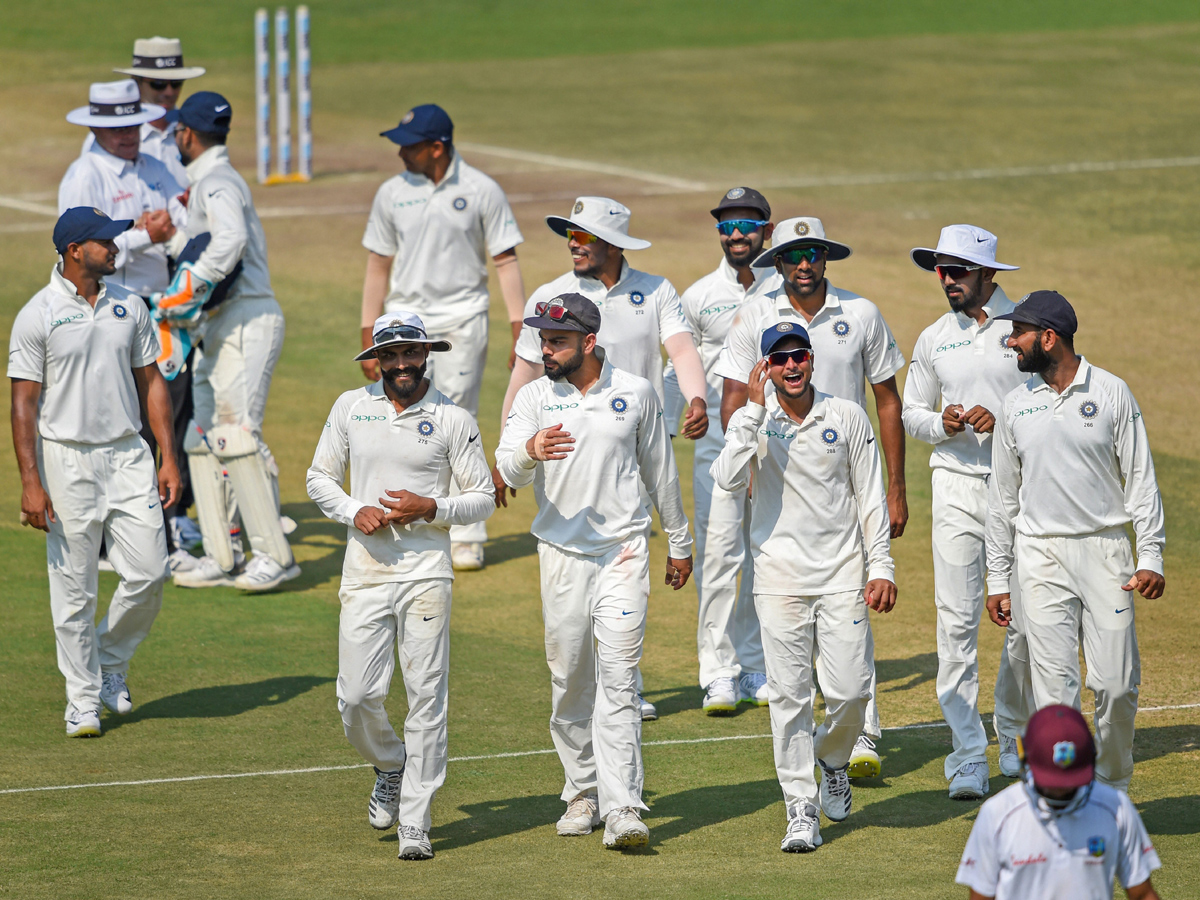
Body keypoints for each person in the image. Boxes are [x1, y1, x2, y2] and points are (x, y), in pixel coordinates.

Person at [496, 196, 709, 721]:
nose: (573, 242)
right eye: (570, 233)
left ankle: (622, 686)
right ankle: (605, 689)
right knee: (582, 564)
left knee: (624, 549)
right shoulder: (550, 296)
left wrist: (697, 396)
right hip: (566, 447)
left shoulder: (656, 289)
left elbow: (681, 349)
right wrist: (510, 450)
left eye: (584, 235)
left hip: (636, 436)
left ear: (612, 243)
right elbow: (523, 373)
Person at [494, 293, 694, 850]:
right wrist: (531, 449)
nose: (546, 349)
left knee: (620, 679)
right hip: (560, 555)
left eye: (557, 340)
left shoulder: (636, 393)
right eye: (543, 339)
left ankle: (624, 804)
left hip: (624, 552)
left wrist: (679, 542)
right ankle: (581, 790)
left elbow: (660, 470)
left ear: (588, 341)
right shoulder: (534, 396)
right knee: (570, 680)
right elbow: (507, 466)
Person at [714, 216, 906, 778]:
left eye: (814, 253)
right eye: (794, 255)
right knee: (793, 680)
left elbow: (887, 401)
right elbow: (734, 395)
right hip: (777, 473)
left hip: (849, 465)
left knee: (851, 623)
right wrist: (747, 454)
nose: (804, 264)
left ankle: (859, 734)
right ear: (777, 261)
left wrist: (894, 486)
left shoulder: (861, 314)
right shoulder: (755, 316)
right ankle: (807, 794)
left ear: (826, 258)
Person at [307, 312, 493, 861]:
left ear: (426, 355)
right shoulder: (351, 407)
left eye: (412, 354)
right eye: (391, 356)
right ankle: (390, 762)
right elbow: (319, 477)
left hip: (426, 575)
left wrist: (431, 507)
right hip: (365, 571)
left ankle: (416, 821)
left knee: (426, 698)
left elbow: (482, 496)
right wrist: (353, 510)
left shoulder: (453, 418)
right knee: (357, 696)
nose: (403, 365)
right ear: (378, 361)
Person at [713, 323, 896, 853]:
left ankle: (832, 759)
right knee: (789, 699)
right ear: (766, 367)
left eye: (799, 356)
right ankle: (801, 808)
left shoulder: (846, 415)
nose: (791, 366)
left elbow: (870, 496)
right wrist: (750, 411)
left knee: (852, 692)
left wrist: (880, 565)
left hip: (842, 574)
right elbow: (726, 480)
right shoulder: (756, 420)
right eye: (780, 359)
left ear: (812, 360)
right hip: (779, 579)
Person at [8, 208, 180, 737]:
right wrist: (31, 483)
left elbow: (152, 384)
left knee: (151, 570)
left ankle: (108, 660)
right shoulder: (37, 314)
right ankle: (81, 701)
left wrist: (167, 455)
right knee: (73, 589)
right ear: (75, 249)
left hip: (129, 455)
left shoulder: (130, 305)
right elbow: (23, 406)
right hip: (66, 460)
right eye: (105, 241)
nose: (116, 246)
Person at [986, 291, 1165, 791]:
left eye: (1018, 332)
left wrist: (1150, 554)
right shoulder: (1015, 405)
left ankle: (1112, 785)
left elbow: (1140, 479)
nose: (1010, 341)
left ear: (1049, 337)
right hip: (1039, 556)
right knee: (1056, 694)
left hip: (1106, 551)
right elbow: (1002, 502)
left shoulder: (1110, 392)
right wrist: (999, 577)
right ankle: (1067, 793)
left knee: (1115, 685)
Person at [360, 104, 526, 572]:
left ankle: (469, 531)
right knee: (407, 417)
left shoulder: (480, 190)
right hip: (402, 322)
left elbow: (506, 260)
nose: (400, 153)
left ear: (438, 147)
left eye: (409, 145)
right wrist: (367, 327)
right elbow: (378, 262)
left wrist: (519, 325)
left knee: (458, 416)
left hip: (462, 317)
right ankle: (416, 514)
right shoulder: (392, 193)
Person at [901, 225, 1035, 799]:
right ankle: (965, 755)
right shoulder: (934, 337)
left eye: (957, 270)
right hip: (954, 484)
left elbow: (1050, 398)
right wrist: (943, 424)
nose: (947, 280)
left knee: (1025, 624)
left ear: (988, 274)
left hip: (1021, 493)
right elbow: (912, 412)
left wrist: (1001, 419)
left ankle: (1010, 731)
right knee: (955, 624)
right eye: (940, 269)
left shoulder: (1024, 328)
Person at [162, 91, 300, 592]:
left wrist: (184, 290)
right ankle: (223, 555)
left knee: (239, 439)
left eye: (175, 131)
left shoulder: (217, 180)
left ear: (187, 134)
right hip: (217, 325)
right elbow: (208, 247)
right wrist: (172, 242)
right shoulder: (208, 182)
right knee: (202, 439)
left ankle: (274, 555)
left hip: (247, 319)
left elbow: (231, 242)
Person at [61, 79, 199, 574]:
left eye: (132, 124)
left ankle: (162, 532)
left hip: (162, 310)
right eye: (116, 127)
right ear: (97, 126)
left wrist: (159, 231)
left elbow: (186, 218)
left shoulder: (156, 166)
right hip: (108, 310)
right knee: (123, 423)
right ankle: (120, 541)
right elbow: (82, 254)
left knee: (169, 417)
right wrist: (144, 235)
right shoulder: (85, 176)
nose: (127, 134)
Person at [666, 187, 781, 714]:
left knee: (765, 554)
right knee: (719, 558)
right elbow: (677, 367)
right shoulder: (697, 295)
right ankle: (717, 672)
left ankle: (755, 665)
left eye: (746, 225)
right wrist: (673, 421)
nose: (736, 235)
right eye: (727, 226)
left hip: (779, 448)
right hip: (717, 449)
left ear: (766, 231)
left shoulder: (786, 289)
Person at [956, 704, 1161, 900]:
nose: (1060, 792)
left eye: (1070, 782)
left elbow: (1142, 894)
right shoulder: (997, 814)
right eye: (1051, 783)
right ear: (1026, 759)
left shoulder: (1116, 808)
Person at [82, 37, 207, 185]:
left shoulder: (196, 132)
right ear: (137, 81)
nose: (169, 92)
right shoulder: (105, 138)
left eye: (176, 83)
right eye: (158, 84)